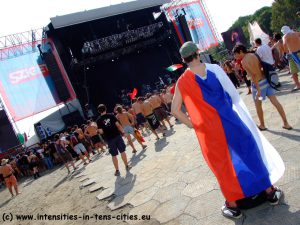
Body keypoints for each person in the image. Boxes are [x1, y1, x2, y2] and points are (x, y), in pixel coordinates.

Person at [172, 41, 286, 219]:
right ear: (197, 53)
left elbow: (175, 110)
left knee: (223, 164)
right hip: (230, 121)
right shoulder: (215, 69)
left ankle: (233, 206)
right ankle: (270, 192)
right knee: (249, 152)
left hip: (209, 131)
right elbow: (233, 95)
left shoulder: (182, 81)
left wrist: (194, 124)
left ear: (183, 59)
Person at [233, 44, 292, 131]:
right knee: (275, 102)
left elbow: (253, 76)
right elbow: (261, 68)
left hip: (258, 87)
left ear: (241, 51)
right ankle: (286, 123)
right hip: (266, 82)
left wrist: (259, 90)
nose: (235, 56)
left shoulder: (244, 61)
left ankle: (262, 125)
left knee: (258, 105)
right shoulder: (254, 55)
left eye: (235, 54)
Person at [96, 104, 131, 176]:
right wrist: (123, 132)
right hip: (117, 136)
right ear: (105, 109)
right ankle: (127, 166)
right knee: (122, 151)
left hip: (109, 139)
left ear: (99, 111)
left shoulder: (98, 120)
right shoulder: (111, 115)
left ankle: (117, 170)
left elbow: (101, 132)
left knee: (114, 155)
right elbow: (118, 125)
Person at [282, 25, 300, 91]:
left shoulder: (285, 36)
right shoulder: (296, 33)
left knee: (293, 71)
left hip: (293, 54)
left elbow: (284, 44)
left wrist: (287, 52)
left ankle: (298, 85)